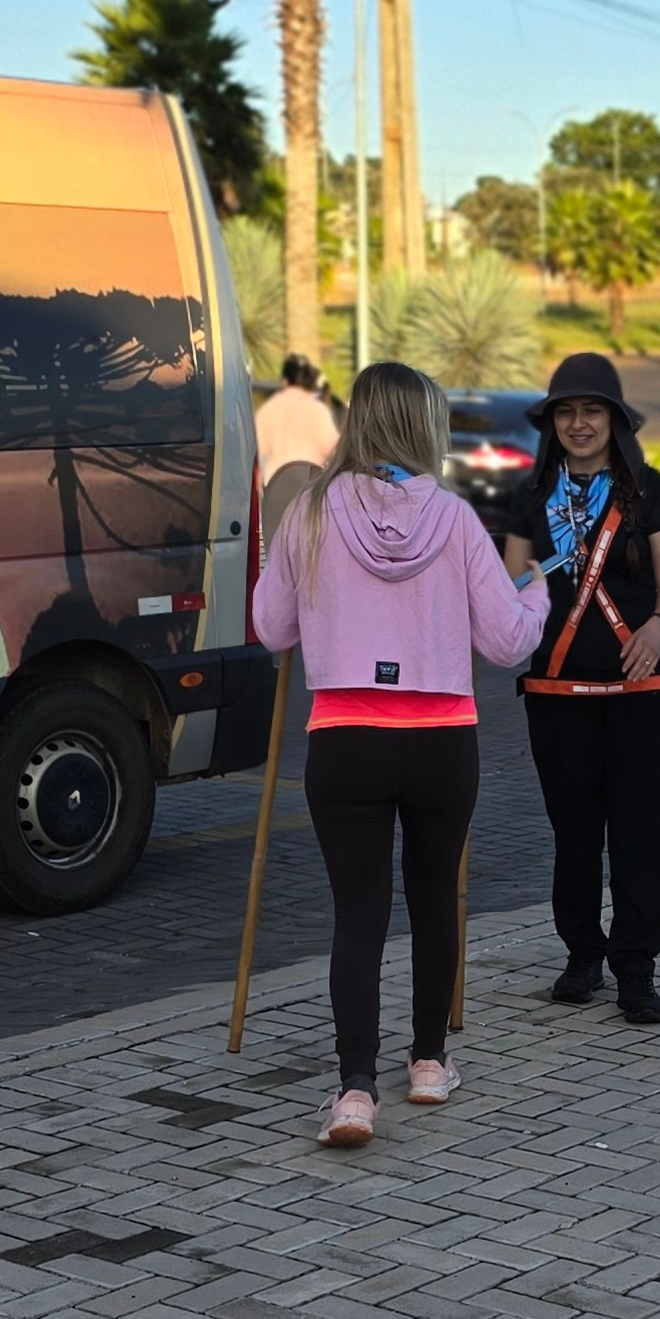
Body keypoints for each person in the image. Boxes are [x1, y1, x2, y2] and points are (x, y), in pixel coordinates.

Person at [252, 360, 546, 1147]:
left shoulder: (309, 513)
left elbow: (270, 629)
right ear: (423, 426)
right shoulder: (454, 520)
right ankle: (427, 1062)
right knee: (433, 902)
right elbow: (508, 638)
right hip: (440, 739)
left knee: (359, 914)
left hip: (344, 738)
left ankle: (354, 1090)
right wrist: (539, 591)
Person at [503, 352, 660, 1025]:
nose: (579, 423)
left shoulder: (648, 488)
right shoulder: (528, 497)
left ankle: (636, 968)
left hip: (644, 688)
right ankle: (583, 955)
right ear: (551, 422)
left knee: (644, 829)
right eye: (566, 411)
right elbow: (509, 588)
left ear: (614, 418)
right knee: (574, 831)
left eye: (592, 410)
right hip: (557, 693)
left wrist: (657, 627)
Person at [255, 354, 340, 544]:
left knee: (278, 550)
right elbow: (333, 450)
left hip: (276, 489)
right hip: (310, 488)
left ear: (285, 381)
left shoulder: (270, 409)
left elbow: (257, 450)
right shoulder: (317, 410)